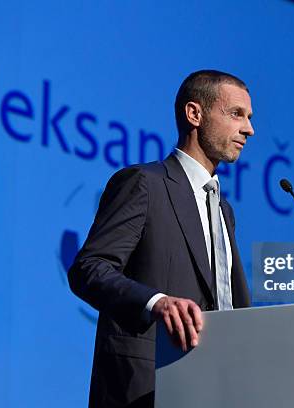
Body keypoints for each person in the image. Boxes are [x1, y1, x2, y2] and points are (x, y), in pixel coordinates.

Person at [68, 70, 255, 408]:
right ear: (194, 114)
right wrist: (156, 302)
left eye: (249, 118)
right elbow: (89, 268)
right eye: (236, 114)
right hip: (149, 387)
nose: (248, 129)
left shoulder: (224, 209)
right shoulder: (144, 183)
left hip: (216, 389)